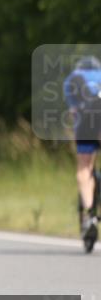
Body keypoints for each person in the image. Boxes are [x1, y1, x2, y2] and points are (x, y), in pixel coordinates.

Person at [63, 55, 101, 244]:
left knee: (84, 168)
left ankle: (89, 214)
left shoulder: (73, 79)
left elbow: (73, 111)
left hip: (86, 124)